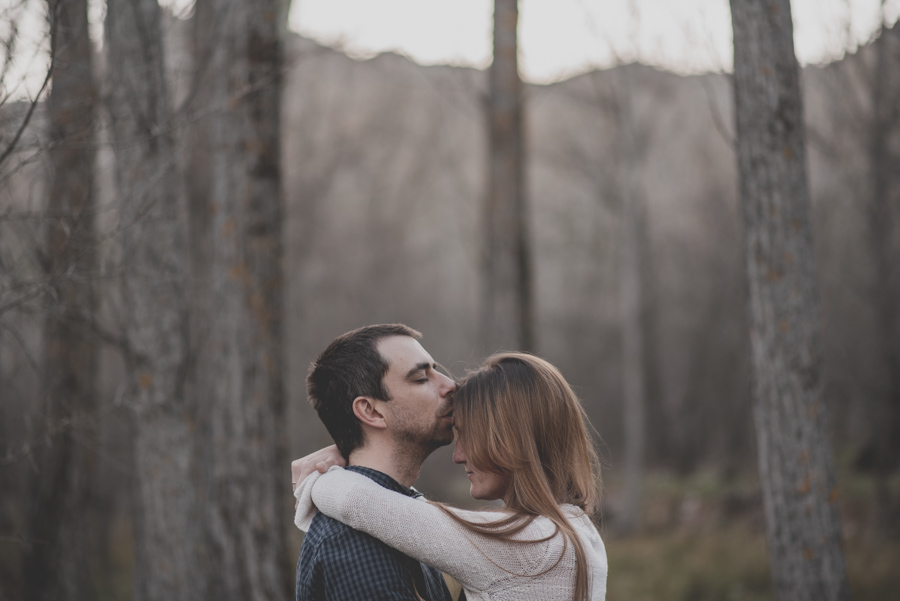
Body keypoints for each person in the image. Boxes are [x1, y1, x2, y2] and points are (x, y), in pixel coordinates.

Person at [293, 352, 608, 601]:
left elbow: (360, 504)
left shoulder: (532, 543)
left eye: (470, 435)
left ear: (512, 440)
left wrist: (316, 479)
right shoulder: (575, 530)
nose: (458, 456)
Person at [293, 324, 460, 601]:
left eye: (435, 369)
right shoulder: (355, 540)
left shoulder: (402, 518)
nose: (449, 384)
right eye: (421, 378)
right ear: (371, 411)